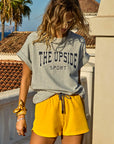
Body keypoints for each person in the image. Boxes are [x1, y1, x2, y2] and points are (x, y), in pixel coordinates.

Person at [13, 0, 90, 144]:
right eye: (62, 21)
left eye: (70, 21)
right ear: (52, 16)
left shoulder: (78, 42)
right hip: (46, 106)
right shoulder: (34, 41)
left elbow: (76, 79)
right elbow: (25, 78)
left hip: (74, 107)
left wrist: (82, 107)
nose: (65, 26)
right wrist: (21, 115)